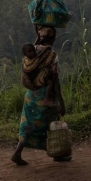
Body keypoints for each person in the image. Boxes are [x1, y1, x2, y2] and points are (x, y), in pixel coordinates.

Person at [11, 25, 70, 165]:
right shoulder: (51, 56)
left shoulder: (34, 49)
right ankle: (58, 153)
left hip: (30, 96)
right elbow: (55, 83)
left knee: (27, 125)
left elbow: (36, 42)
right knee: (50, 125)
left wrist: (36, 29)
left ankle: (18, 152)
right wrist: (61, 103)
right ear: (53, 38)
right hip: (44, 97)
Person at [21, 43, 57, 107]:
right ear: (25, 54)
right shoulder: (27, 62)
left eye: (33, 51)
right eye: (30, 52)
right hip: (34, 82)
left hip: (32, 83)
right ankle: (47, 99)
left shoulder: (26, 60)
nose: (32, 53)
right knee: (50, 83)